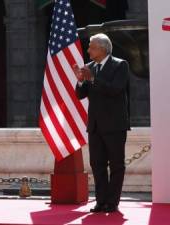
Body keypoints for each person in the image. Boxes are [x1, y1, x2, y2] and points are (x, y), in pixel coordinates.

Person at [73, 33, 130, 213]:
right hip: (95, 125)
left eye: (92, 47)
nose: (88, 50)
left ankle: (112, 203)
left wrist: (92, 79)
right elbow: (81, 95)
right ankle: (100, 201)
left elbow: (115, 90)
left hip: (115, 125)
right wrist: (81, 81)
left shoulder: (120, 65)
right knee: (97, 165)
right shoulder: (89, 67)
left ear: (103, 49)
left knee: (116, 165)